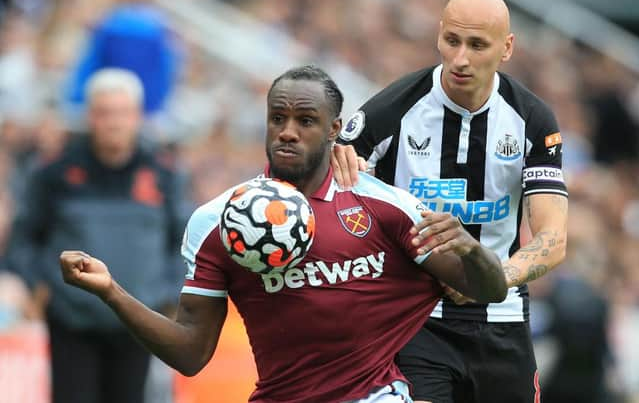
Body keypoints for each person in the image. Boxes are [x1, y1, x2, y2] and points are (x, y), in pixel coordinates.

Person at [59, 65, 508, 403]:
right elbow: (191, 353)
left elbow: (487, 288)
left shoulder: (385, 207)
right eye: (278, 119)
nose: (287, 133)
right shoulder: (219, 222)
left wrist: (469, 247)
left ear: (335, 129)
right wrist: (112, 292)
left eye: (306, 121)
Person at [332, 0, 568, 403]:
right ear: (439, 34)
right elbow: (336, 198)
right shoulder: (388, 112)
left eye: (477, 45)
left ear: (507, 47)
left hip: (503, 321)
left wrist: (489, 278)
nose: (460, 58)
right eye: (452, 40)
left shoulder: (532, 120)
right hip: (414, 321)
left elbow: (553, 239)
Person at [4, 68, 189, 403]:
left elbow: (184, 242)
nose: (113, 122)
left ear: (137, 117)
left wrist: (168, 293)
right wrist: (38, 286)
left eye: (122, 113)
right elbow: (25, 238)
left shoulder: (164, 173)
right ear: (90, 116)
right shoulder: (54, 172)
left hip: (137, 322)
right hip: (71, 323)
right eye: (105, 113)